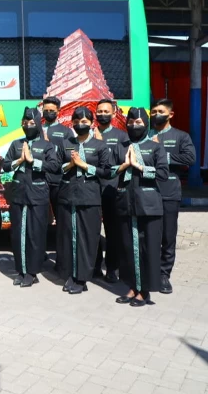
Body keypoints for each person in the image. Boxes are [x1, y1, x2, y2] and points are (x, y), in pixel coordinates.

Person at [112, 108, 168, 307]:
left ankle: (145, 291)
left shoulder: (155, 148)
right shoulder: (120, 147)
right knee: (128, 248)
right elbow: (109, 170)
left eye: (139, 123)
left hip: (148, 206)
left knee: (148, 249)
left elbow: (163, 173)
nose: (134, 126)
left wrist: (139, 166)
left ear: (146, 124)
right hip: (126, 204)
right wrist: (123, 166)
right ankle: (132, 286)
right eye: (131, 122)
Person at [56, 107, 111, 295]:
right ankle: (70, 274)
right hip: (68, 196)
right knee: (69, 237)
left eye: (85, 121)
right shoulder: (65, 144)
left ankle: (82, 278)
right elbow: (56, 168)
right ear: (72, 123)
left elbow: (107, 171)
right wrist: (70, 165)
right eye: (77, 121)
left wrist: (85, 166)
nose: (81, 124)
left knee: (87, 238)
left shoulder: (100, 146)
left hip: (90, 197)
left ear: (92, 123)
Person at [2, 108, 60, 287]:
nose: (27, 126)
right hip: (18, 195)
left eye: (31, 123)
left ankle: (32, 272)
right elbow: (5, 164)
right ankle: (21, 270)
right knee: (18, 234)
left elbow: (54, 166)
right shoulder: (16, 144)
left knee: (36, 235)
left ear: (38, 123)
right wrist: (19, 161)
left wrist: (32, 161)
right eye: (25, 122)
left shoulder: (47, 145)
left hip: (38, 195)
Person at [148, 98, 196, 294]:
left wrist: (161, 154)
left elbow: (190, 158)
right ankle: (148, 271)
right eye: (153, 112)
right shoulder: (146, 136)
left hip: (169, 193)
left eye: (159, 111)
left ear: (170, 114)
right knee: (150, 235)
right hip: (147, 193)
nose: (155, 115)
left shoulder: (180, 137)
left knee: (168, 236)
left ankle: (164, 274)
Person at [93, 98, 129, 283]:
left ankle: (112, 268)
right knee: (93, 230)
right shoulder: (89, 135)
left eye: (106, 111)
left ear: (114, 113)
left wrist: (102, 147)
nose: (102, 114)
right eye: (99, 111)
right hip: (91, 189)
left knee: (112, 231)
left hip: (112, 189)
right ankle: (95, 266)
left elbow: (123, 163)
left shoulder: (122, 137)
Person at [40, 96, 73, 274]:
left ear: (58, 111)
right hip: (39, 181)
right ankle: (39, 256)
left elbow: (70, 156)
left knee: (62, 222)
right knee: (39, 221)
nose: (49, 112)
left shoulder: (66, 132)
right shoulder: (36, 129)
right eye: (46, 110)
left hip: (59, 181)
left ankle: (62, 259)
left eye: (52, 110)